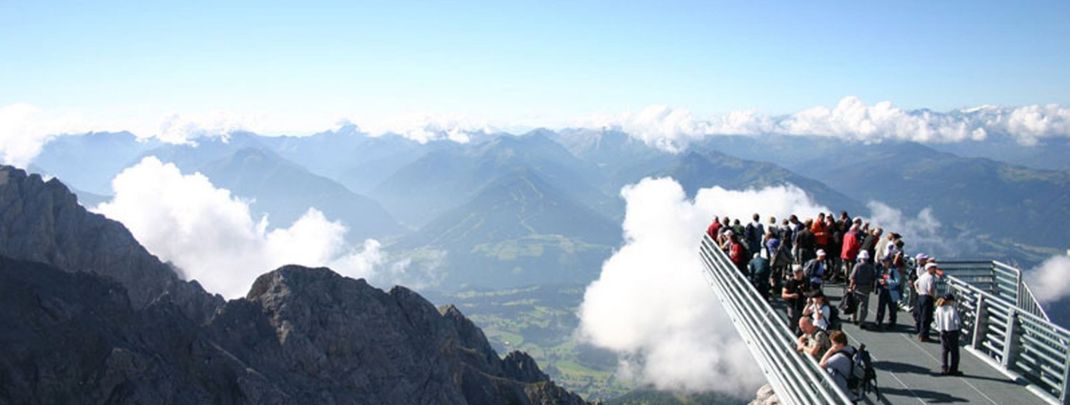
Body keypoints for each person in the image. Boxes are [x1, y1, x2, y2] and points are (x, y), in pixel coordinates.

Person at [820, 331, 855, 397]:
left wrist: (830, 350)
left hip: (843, 391)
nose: (832, 346)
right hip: (851, 388)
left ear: (841, 344)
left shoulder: (839, 357)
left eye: (833, 344)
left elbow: (821, 365)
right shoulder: (851, 349)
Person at [935, 293, 962, 375]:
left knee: (944, 351)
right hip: (952, 331)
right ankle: (953, 370)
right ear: (949, 301)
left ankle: (944, 368)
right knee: (954, 352)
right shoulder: (951, 309)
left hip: (942, 331)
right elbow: (957, 322)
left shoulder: (938, 308)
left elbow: (936, 320)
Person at [849, 250, 877, 328]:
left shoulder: (857, 266)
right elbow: (873, 278)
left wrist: (850, 287)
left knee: (855, 304)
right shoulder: (871, 267)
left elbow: (853, 278)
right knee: (864, 306)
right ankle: (862, 321)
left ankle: (853, 318)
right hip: (866, 288)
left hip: (857, 287)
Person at [914, 262, 939, 342]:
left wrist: (918, 291)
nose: (935, 269)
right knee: (926, 317)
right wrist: (934, 298)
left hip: (921, 296)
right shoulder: (930, 277)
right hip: (927, 298)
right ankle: (924, 336)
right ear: (929, 269)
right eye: (933, 268)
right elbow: (930, 289)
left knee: (921, 316)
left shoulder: (923, 276)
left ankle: (920, 333)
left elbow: (915, 283)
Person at [874, 258, 902, 330]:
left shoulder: (894, 271)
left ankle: (892, 323)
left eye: (884, 261)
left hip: (892, 291)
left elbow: (897, 281)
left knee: (892, 308)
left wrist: (887, 281)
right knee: (881, 307)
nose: (883, 263)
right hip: (883, 290)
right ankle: (878, 321)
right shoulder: (881, 270)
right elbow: (878, 277)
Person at [783, 264, 808, 335]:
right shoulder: (789, 282)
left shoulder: (806, 280)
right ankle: (790, 338)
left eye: (798, 271)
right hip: (792, 305)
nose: (797, 274)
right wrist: (791, 295)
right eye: (795, 272)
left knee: (802, 324)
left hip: (803, 305)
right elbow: (783, 295)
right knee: (791, 324)